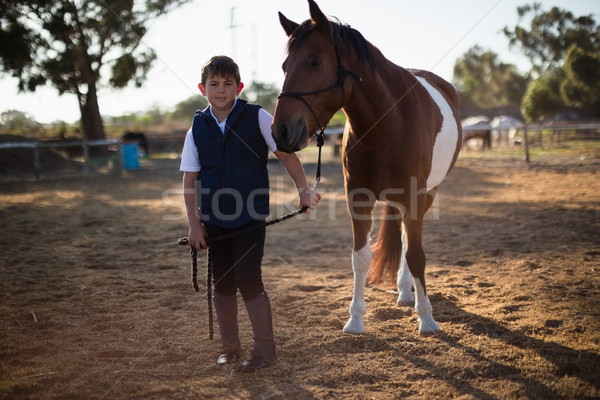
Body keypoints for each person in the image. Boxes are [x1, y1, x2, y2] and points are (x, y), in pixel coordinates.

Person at [180, 55, 320, 372]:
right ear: (203, 88)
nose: (221, 90)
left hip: (250, 219)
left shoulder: (256, 117)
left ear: (238, 87)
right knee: (223, 283)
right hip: (213, 221)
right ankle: (229, 347)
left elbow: (286, 156)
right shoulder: (197, 128)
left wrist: (304, 190)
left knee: (248, 279)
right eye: (214, 84)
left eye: (228, 84)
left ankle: (265, 351)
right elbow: (189, 180)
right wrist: (194, 224)